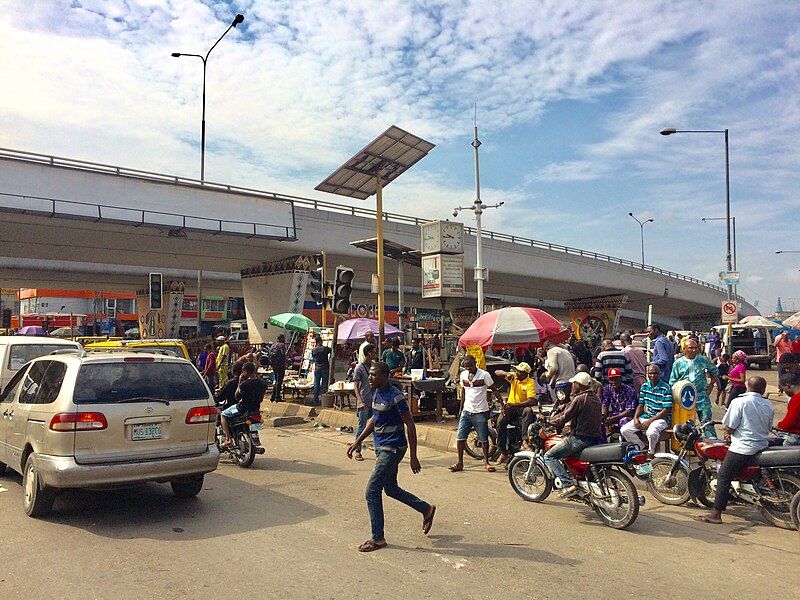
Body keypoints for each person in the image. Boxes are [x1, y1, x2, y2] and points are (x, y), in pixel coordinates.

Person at [347, 361, 436, 552]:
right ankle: (426, 509)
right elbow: (373, 419)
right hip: (381, 446)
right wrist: (358, 441)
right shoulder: (376, 392)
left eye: (373, 375)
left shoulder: (396, 397)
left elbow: (410, 425)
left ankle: (377, 538)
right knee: (391, 489)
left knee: (372, 490)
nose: (369, 378)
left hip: (393, 448)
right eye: (369, 374)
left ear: (384, 376)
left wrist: (414, 456)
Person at [694, 376, 774, 525]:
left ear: (747, 387)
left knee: (724, 474)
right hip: (762, 445)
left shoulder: (739, 402)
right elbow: (769, 427)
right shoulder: (768, 404)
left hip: (743, 447)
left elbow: (730, 426)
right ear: (763, 390)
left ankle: (716, 514)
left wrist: (729, 432)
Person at [543, 371, 603, 497]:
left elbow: (565, 417)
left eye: (574, 383)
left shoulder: (580, 399)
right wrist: (561, 407)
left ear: (579, 385)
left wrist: (549, 421)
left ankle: (568, 483)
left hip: (579, 438)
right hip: (594, 437)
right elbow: (570, 406)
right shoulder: (594, 397)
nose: (572, 386)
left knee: (549, 456)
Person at [450, 355, 499, 473]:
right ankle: (460, 462)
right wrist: (461, 408)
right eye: (467, 367)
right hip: (467, 411)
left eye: (471, 366)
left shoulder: (484, 375)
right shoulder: (463, 375)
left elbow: (494, 389)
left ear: (475, 363)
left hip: (481, 412)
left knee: (483, 438)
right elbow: (463, 392)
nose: (469, 369)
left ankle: (486, 462)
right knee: (460, 438)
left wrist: (502, 404)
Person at [670, 338, 722, 438]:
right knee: (686, 425)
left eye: (695, 348)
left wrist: (710, 386)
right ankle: (688, 447)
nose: (693, 350)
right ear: (684, 349)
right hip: (684, 398)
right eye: (690, 348)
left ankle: (710, 445)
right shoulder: (678, 363)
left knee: (707, 422)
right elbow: (673, 382)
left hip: (701, 396)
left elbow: (715, 372)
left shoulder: (703, 360)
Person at [620, 364, 672, 457]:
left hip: (662, 418)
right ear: (647, 374)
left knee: (651, 432)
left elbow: (666, 409)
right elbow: (641, 405)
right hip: (646, 416)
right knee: (624, 430)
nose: (653, 376)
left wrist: (650, 421)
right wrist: (636, 418)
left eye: (655, 373)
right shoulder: (644, 386)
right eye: (650, 373)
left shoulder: (666, 388)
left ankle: (650, 452)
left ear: (659, 374)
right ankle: (641, 446)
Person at [494, 362, 538, 464]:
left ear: (526, 374)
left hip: (519, 408)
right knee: (500, 423)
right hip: (510, 408)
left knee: (528, 410)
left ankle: (524, 441)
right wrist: (506, 373)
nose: (517, 373)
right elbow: (496, 372)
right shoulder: (513, 377)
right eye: (517, 371)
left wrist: (515, 405)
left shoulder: (530, 383)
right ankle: (503, 452)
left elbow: (531, 400)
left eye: (520, 372)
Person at [220, 361, 267, 448]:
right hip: (255, 409)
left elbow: (237, 396)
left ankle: (228, 438)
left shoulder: (244, 384)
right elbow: (261, 397)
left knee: (223, 415)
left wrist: (240, 382)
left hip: (242, 408)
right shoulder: (262, 382)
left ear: (245, 372)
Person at [352, 343, 376, 460]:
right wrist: (359, 401)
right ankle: (357, 451)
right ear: (369, 354)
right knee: (361, 427)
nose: (375, 354)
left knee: (376, 426)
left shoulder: (373, 367)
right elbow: (355, 386)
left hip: (374, 401)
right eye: (374, 352)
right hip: (364, 401)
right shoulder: (359, 368)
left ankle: (379, 451)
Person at [600, 367, 638, 440]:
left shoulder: (630, 390)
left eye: (616, 379)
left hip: (626, 415)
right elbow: (605, 404)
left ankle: (625, 446)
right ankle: (603, 445)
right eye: (611, 379)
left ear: (620, 379)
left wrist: (614, 418)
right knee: (599, 423)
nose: (614, 382)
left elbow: (630, 411)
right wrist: (603, 416)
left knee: (624, 421)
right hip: (614, 414)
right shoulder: (607, 389)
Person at [544, 339, 577, 410]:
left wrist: (546, 375)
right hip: (571, 383)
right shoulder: (565, 351)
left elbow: (554, 369)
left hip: (561, 385)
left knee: (562, 408)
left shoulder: (551, 351)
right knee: (569, 407)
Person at [777, 373, 800, 446]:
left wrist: (779, 425)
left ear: (788, 385)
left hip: (796, 434)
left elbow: (790, 422)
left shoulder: (796, 399)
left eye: (784, 389)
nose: (785, 392)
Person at [310, 335, 332, 406]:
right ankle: (323, 399)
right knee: (324, 383)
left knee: (316, 383)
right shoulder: (325, 349)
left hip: (317, 367)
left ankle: (315, 399)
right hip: (325, 367)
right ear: (321, 341)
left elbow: (313, 357)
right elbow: (331, 350)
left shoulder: (314, 350)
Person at [269, 334, 288, 402]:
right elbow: (283, 354)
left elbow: (270, 355)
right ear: (282, 338)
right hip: (280, 365)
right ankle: (277, 397)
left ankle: (273, 396)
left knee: (276, 380)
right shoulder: (282, 345)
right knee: (279, 381)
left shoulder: (272, 345)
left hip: (274, 365)